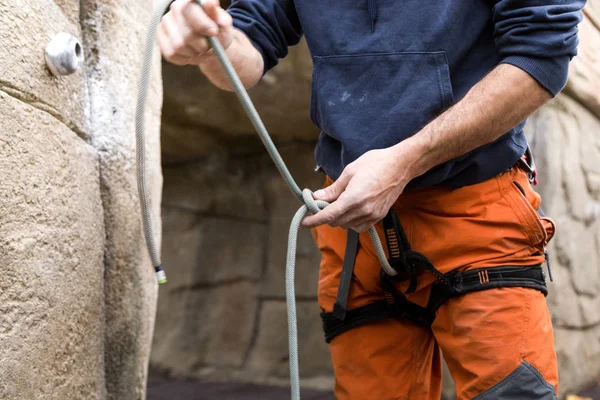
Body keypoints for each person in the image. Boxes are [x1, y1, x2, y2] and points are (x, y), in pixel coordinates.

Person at [157, 0, 585, 398]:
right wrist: (214, 43)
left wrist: (405, 161)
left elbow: (540, 57)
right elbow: (251, 39)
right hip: (356, 234)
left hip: (473, 210)